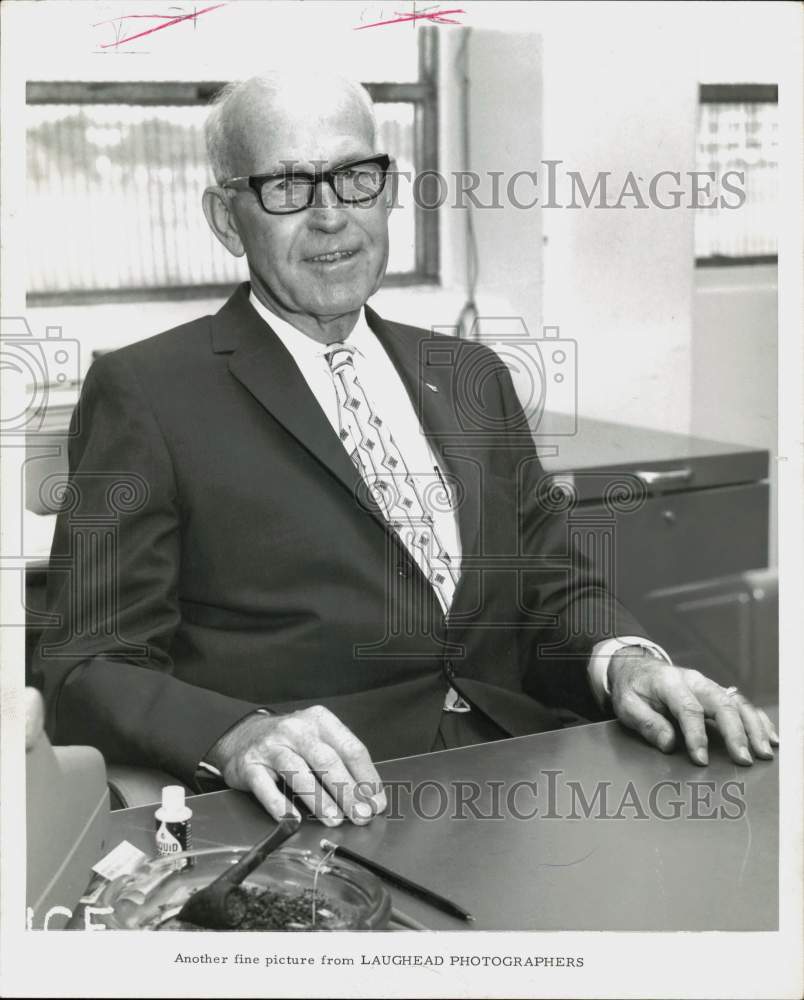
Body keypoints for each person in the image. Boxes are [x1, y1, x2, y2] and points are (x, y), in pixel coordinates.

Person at [35, 71, 778, 828]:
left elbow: (551, 582)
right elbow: (86, 668)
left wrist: (623, 661)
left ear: (390, 193)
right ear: (229, 219)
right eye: (289, 185)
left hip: (525, 783)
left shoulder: (468, 376)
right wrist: (238, 736)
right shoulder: (148, 391)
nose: (332, 218)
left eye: (356, 178)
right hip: (323, 814)